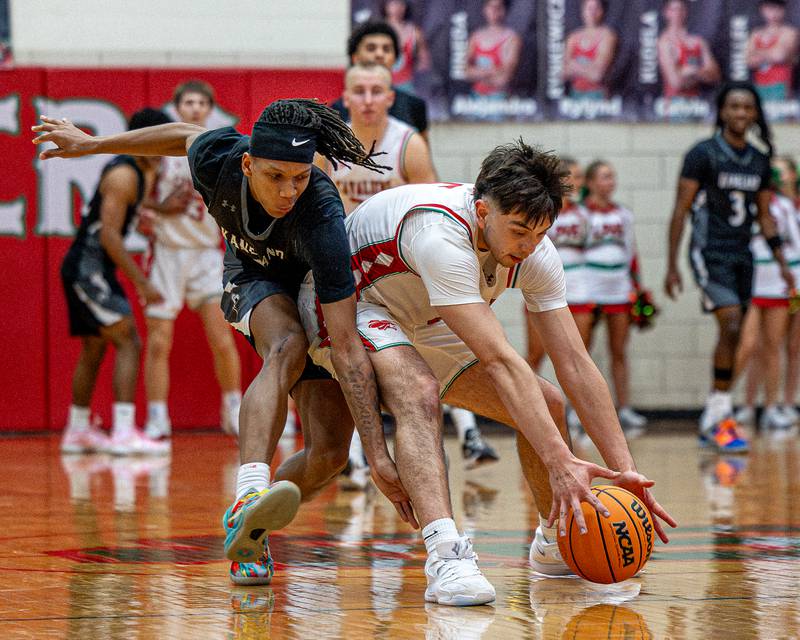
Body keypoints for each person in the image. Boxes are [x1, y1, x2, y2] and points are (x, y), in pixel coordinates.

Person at [34, 99, 419, 590]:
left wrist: (377, 453)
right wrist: (93, 145)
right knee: (286, 345)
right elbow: (182, 133)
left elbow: (345, 346)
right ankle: (250, 489)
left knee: (328, 456)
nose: (288, 191)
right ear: (248, 163)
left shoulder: (323, 219)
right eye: (275, 177)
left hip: (311, 289)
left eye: (299, 178)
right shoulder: (219, 156)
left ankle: (251, 526)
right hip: (251, 277)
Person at [299, 141, 676, 598]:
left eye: (540, 233)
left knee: (549, 403)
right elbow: (500, 361)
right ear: (482, 211)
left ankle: (555, 541)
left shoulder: (534, 249)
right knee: (418, 391)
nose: (529, 245)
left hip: (422, 313)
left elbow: (575, 364)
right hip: (348, 304)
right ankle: (445, 556)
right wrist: (559, 462)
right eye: (518, 231)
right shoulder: (440, 236)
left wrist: (625, 473)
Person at [325, 61, 498, 474]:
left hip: (404, 261)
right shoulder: (327, 144)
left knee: (451, 334)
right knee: (347, 351)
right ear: (345, 98)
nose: (367, 100)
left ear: (390, 98)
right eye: (359, 91)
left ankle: (469, 431)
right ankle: (356, 455)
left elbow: (434, 204)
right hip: (349, 261)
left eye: (375, 91)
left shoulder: (409, 144)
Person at [664, 81, 793, 453]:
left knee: (734, 335)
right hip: (708, 252)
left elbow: (765, 218)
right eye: (734, 107)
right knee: (732, 322)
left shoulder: (759, 159)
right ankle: (720, 416)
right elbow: (680, 210)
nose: (740, 113)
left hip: (743, 254)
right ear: (722, 111)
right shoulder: (701, 154)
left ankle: (714, 414)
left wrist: (783, 265)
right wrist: (671, 264)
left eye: (747, 108)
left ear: (755, 114)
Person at [58, 108, 171, 457]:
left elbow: (125, 214)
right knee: (129, 341)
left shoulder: (145, 170)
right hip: (87, 269)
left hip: (94, 269)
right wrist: (142, 283)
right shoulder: (124, 173)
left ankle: (78, 431)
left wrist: (161, 211)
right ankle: (123, 431)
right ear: (142, 140)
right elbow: (109, 235)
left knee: (94, 346)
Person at [138, 80, 242, 442]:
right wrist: (156, 209)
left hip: (204, 255)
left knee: (222, 338)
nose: (195, 108)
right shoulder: (162, 149)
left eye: (201, 103)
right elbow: (136, 197)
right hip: (167, 252)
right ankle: (156, 417)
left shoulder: (218, 151)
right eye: (188, 102)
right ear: (177, 108)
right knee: (158, 342)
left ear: (210, 109)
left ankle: (234, 409)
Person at [580, 160, 648, 435]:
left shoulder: (623, 214)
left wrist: (638, 287)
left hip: (618, 288)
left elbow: (631, 252)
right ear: (591, 182)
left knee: (619, 351)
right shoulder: (579, 215)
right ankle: (579, 411)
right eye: (605, 177)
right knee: (581, 353)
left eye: (612, 177)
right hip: (587, 288)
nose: (610, 182)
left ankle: (625, 408)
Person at [526, 158, 591, 433]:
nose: (573, 182)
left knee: (578, 355)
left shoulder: (588, 214)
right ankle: (529, 409)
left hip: (580, 289)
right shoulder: (541, 211)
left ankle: (578, 415)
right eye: (568, 176)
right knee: (535, 354)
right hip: (543, 286)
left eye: (578, 176)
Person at [734, 171, 800, 432]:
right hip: (749, 281)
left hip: (777, 282)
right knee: (748, 345)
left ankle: (770, 408)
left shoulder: (783, 207)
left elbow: (795, 243)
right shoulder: (743, 203)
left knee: (773, 347)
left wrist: (793, 278)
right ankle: (735, 404)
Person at [331, 21, 429, 141]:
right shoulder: (336, 111)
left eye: (386, 49)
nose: (379, 54)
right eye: (371, 48)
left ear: (395, 59)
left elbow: (423, 155)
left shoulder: (415, 105)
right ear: (355, 58)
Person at [773, 156, 800, 419]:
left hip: (797, 277)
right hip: (779, 279)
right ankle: (761, 404)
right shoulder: (771, 205)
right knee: (769, 343)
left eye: (783, 172)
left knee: (794, 346)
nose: (779, 177)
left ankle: (789, 402)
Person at [657, 0, 720, 101]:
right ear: (666, 12)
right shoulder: (664, 42)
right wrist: (701, 73)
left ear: (686, 12)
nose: (677, 13)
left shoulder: (698, 42)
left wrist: (691, 71)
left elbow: (715, 76)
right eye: (674, 9)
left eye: (681, 9)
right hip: (674, 104)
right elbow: (676, 82)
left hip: (698, 104)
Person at [465, 0, 522, 100]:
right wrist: (494, 70)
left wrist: (477, 73)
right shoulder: (475, 36)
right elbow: (464, 71)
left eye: (498, 7)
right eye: (490, 6)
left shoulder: (511, 38)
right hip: (475, 97)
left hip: (499, 98)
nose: (494, 10)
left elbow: (504, 79)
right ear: (485, 9)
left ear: (504, 10)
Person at [563, 0, 617, 100]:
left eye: (596, 8)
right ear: (583, 11)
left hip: (598, 95)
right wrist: (589, 68)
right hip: (575, 95)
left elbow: (597, 75)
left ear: (602, 11)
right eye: (589, 8)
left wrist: (574, 65)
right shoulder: (573, 37)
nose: (592, 12)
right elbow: (563, 72)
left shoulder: (607, 35)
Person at [747, 0, 799, 103]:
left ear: (783, 10)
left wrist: (757, 52)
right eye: (769, 8)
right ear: (762, 10)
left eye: (777, 8)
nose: (773, 13)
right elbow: (749, 61)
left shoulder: (790, 32)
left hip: (781, 87)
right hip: (760, 86)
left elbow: (780, 56)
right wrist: (771, 53)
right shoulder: (756, 33)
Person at [381, 0, 431, 95]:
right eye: (393, 3)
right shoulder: (376, 31)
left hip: (407, 87)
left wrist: (415, 73)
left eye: (401, 3)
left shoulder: (415, 32)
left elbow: (425, 61)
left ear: (406, 6)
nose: (397, 8)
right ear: (386, 6)